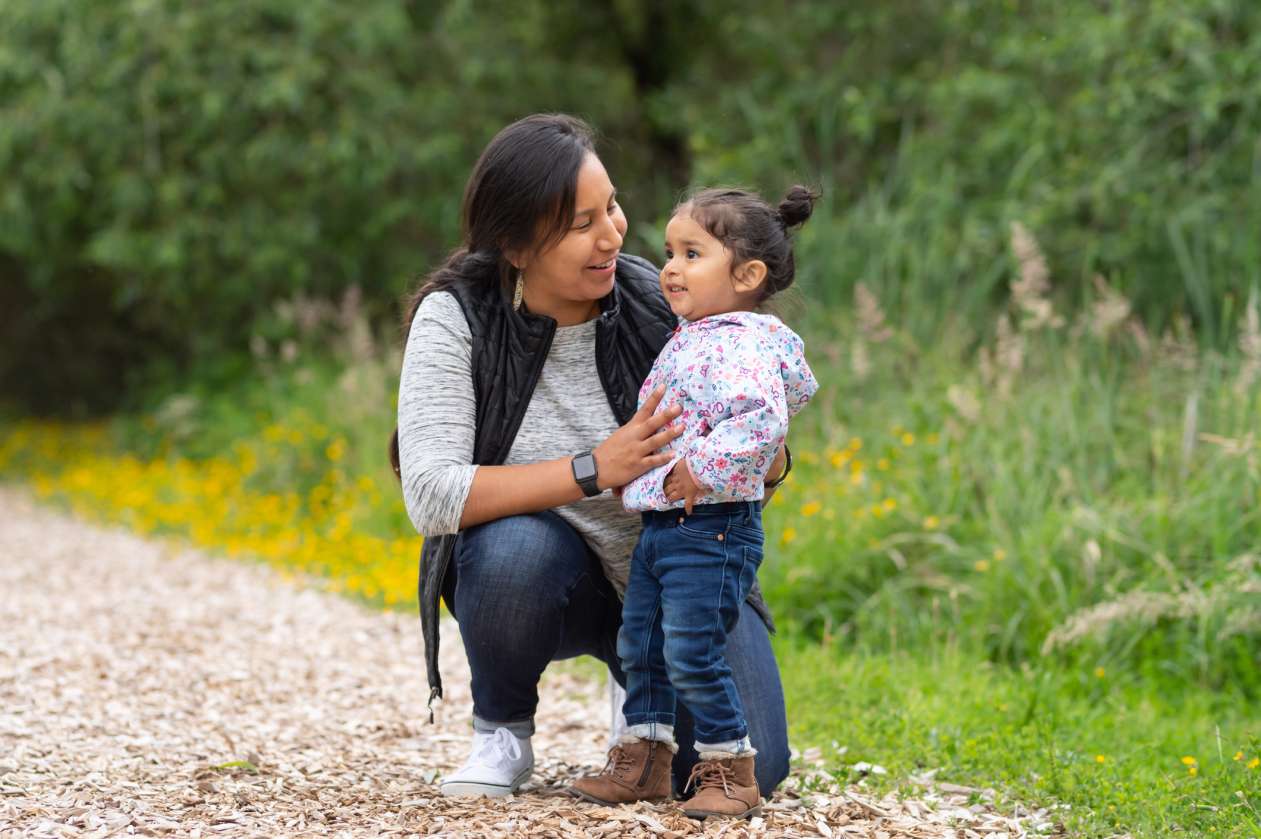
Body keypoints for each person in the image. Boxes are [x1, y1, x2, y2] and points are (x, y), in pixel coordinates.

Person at [392, 114, 794, 800]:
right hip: (546, 573)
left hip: (679, 570)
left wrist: (763, 456)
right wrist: (594, 467)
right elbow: (430, 493)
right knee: (512, 550)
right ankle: (502, 732)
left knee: (754, 764)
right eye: (581, 223)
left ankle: (636, 695)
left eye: (609, 206)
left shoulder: (660, 299)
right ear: (516, 245)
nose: (611, 233)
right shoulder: (457, 317)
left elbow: (758, 456)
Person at [570, 186, 819, 820]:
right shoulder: (699, 333)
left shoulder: (744, 343)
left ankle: (730, 769)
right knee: (642, 644)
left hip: (712, 526)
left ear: (747, 275)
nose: (670, 268)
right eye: (670, 252)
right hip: (665, 526)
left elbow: (761, 422)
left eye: (691, 253)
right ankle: (646, 759)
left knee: (691, 648)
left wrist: (699, 470)